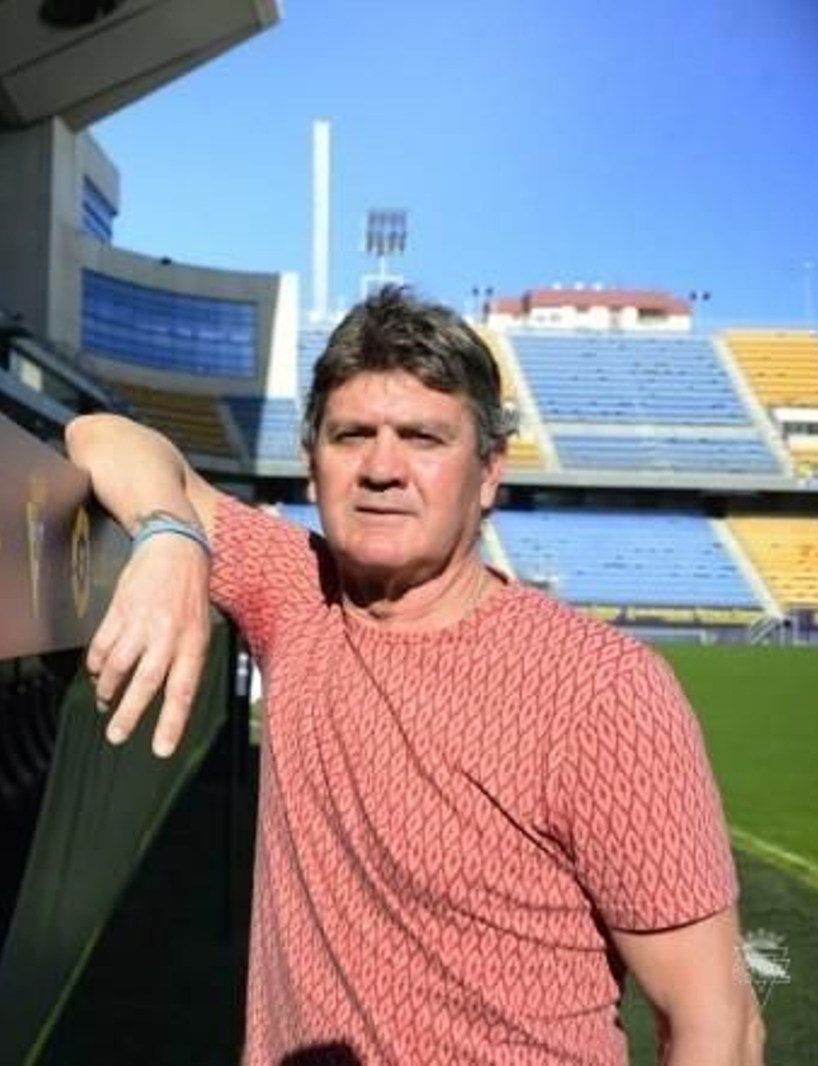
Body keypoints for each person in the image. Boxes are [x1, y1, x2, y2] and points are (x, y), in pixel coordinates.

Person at [64, 286, 763, 1064]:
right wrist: (171, 537)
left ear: (490, 471)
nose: (382, 468)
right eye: (351, 435)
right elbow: (101, 435)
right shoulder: (295, 593)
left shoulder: (602, 691)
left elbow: (716, 1021)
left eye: (424, 437)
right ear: (310, 462)